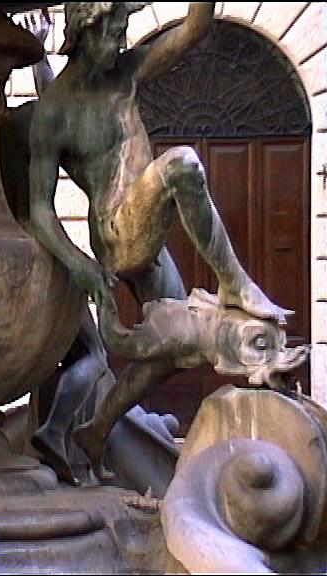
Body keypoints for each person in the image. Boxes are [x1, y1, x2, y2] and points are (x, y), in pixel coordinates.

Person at [27, 2, 290, 478]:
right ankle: (236, 284)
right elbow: (40, 209)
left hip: (148, 232)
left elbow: (194, 28)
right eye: (115, 33)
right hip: (117, 232)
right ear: (87, 32)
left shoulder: (125, 73)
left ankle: (96, 429)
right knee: (181, 165)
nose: (122, 43)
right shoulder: (56, 111)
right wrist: (80, 265)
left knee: (176, 350)